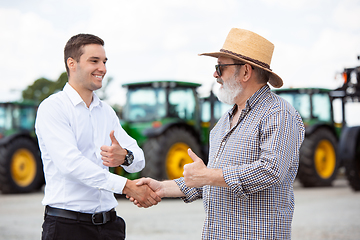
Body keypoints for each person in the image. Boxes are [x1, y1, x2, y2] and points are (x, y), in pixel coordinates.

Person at [131, 28, 305, 239]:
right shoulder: (223, 122)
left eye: (220, 67)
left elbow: (270, 171)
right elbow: (212, 180)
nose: (215, 74)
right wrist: (162, 188)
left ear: (246, 72)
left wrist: (208, 175)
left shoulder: (278, 113)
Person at [35, 33, 161, 240]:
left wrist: (125, 157)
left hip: (110, 226)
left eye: (104, 61)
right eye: (94, 61)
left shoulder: (106, 112)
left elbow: (138, 160)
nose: (102, 68)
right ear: (72, 63)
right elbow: (71, 165)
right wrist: (126, 186)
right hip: (67, 227)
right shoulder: (53, 108)